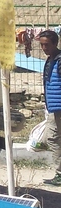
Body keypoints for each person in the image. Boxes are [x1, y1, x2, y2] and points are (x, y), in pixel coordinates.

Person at [39, 30, 61, 186]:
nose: (44, 48)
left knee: (52, 137)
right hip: (54, 108)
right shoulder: (50, 60)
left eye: (47, 44)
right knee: (52, 137)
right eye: (41, 45)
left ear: (55, 43)